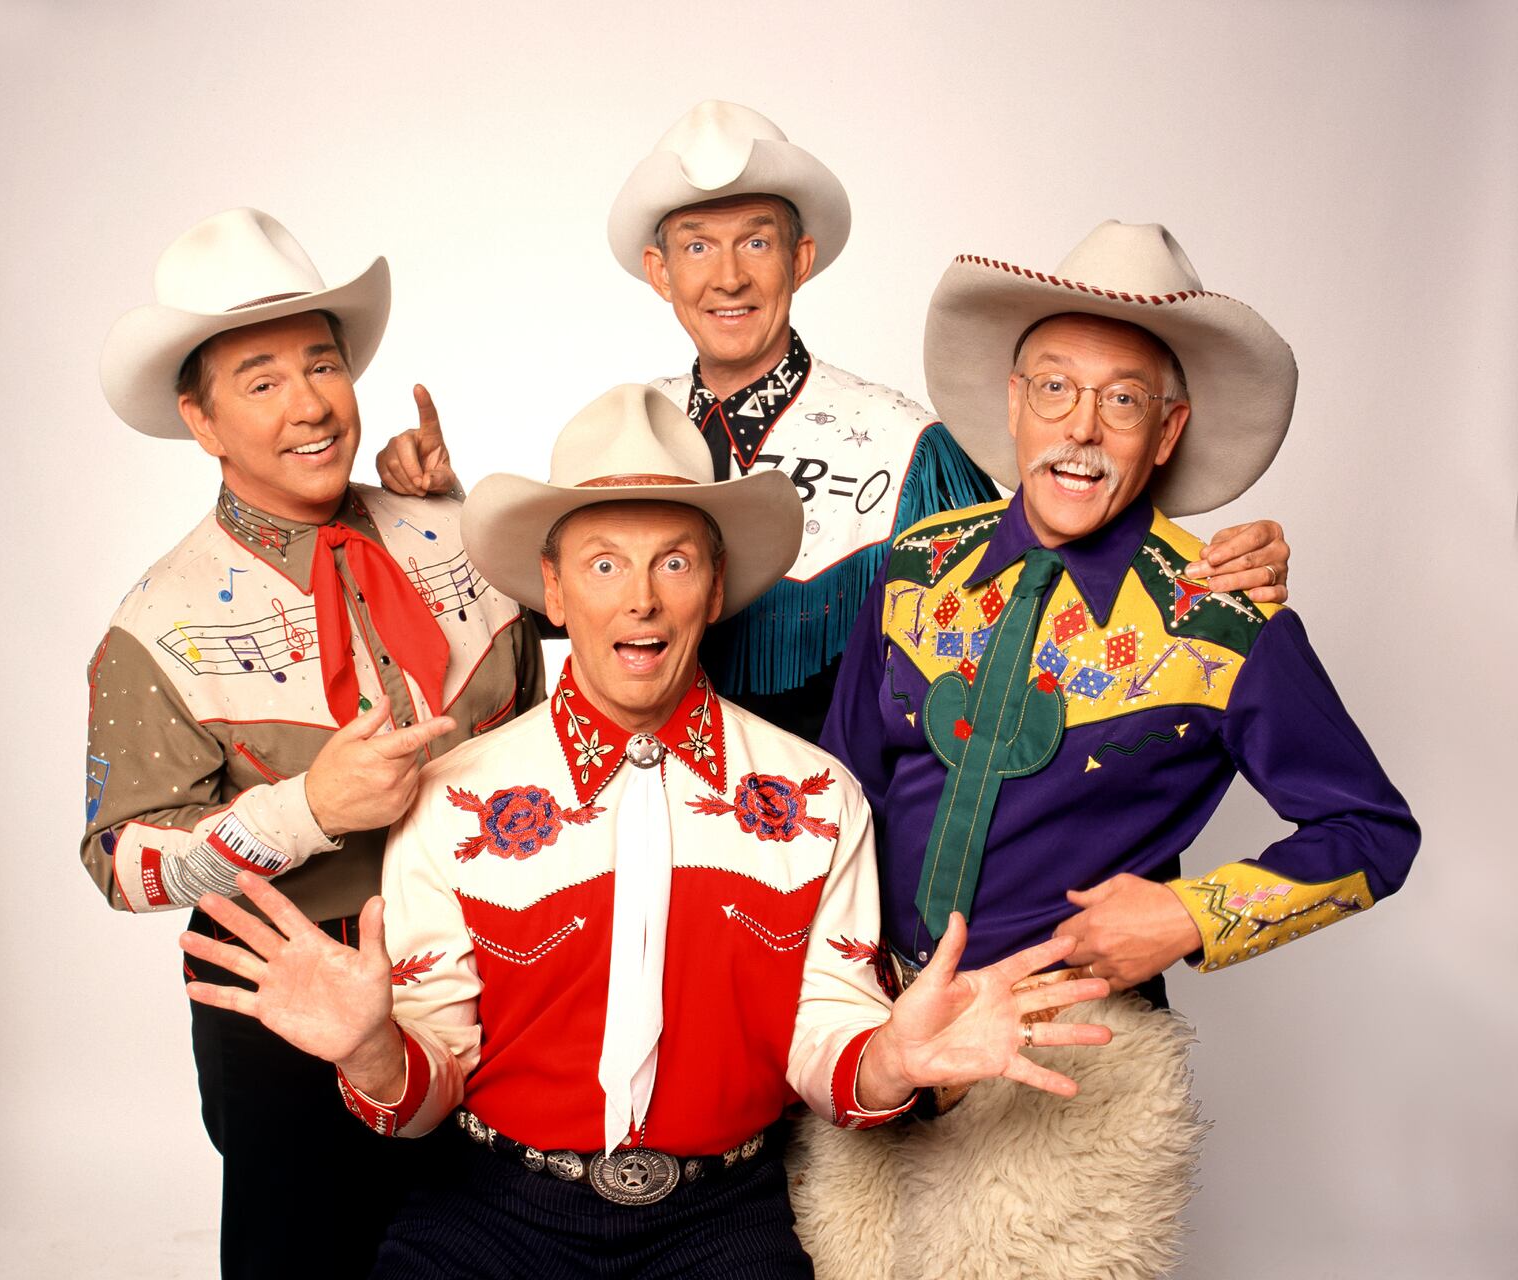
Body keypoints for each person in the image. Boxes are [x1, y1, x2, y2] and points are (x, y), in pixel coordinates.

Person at [180, 384, 1116, 1278]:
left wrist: (890, 1062)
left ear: (715, 589)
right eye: (602, 564)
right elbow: (432, 1083)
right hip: (487, 1213)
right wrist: (373, 1047)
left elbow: (826, 1035)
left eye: (674, 561)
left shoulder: (818, 796)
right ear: (552, 589)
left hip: (721, 1222)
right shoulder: (451, 795)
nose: (641, 599)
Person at [801, 221, 1421, 1279]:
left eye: (1121, 399)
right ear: (1011, 401)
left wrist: (1190, 912)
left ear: (1167, 429)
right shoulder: (910, 570)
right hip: (878, 1036)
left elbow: (1372, 833)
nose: (1080, 427)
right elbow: (835, 795)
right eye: (1054, 388)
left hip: (1069, 1062)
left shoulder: (1228, 621)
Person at [376, 102, 1292, 741]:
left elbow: (1025, 612)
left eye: (757, 243)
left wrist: (1204, 564)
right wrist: (443, 513)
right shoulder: (625, 433)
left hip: (840, 828)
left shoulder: (908, 446)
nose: (727, 277)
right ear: (660, 273)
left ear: (801, 259)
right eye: (697, 246)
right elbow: (560, 613)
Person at [83, 208, 544, 1278]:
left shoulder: (457, 532)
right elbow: (122, 862)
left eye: (322, 363)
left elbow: (610, 630)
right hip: (290, 1000)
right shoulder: (157, 621)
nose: (310, 404)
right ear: (200, 420)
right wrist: (309, 810)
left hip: (506, 968)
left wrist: (469, 514)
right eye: (261, 379)